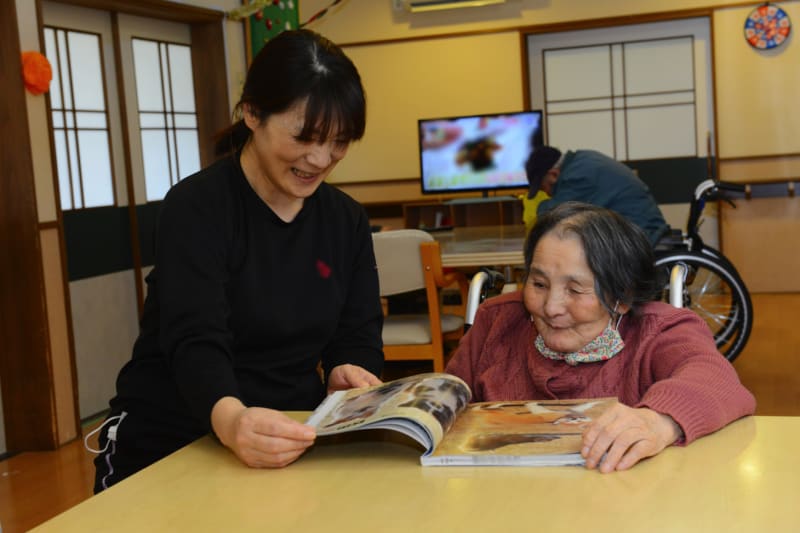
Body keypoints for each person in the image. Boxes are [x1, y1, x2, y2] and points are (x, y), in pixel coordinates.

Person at [92, 29, 384, 492]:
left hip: (287, 436)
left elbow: (358, 331)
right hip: (175, 434)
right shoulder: (197, 206)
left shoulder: (345, 220)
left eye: (340, 141)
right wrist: (232, 420)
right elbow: (195, 338)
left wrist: (346, 368)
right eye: (305, 137)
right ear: (252, 113)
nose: (320, 158)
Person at [445, 202, 755, 473]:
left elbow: (716, 380)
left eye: (574, 290)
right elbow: (448, 393)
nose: (551, 307)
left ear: (622, 296)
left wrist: (658, 420)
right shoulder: (498, 321)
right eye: (539, 284)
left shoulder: (659, 331)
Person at [524, 146, 669, 245]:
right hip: (640, 229)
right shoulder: (583, 159)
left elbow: (554, 214)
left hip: (640, 235)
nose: (548, 194)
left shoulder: (577, 175)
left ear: (554, 174)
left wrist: (538, 207)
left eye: (544, 188)